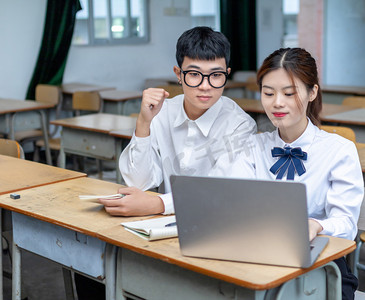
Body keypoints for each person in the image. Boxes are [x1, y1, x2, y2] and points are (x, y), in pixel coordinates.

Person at [210, 47, 363, 300]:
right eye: (268, 93)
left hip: (320, 267)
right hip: (258, 257)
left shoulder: (339, 151)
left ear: (312, 92)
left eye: (289, 93)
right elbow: (232, 200)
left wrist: (316, 225)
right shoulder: (252, 146)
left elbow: (347, 225)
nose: (277, 102)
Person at [100, 26, 256, 216]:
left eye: (216, 75)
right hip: (162, 223)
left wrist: (158, 204)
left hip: (215, 220)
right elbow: (138, 183)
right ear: (178, 74)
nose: (205, 86)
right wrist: (143, 123)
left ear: (227, 73)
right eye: (194, 74)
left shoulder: (240, 125)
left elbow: (221, 189)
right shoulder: (162, 113)